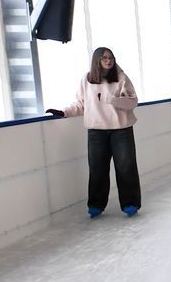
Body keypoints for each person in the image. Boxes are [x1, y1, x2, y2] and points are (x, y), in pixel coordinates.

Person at [45, 47, 141, 218]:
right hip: (96, 132)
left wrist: (113, 100)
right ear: (97, 60)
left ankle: (130, 203)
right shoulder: (87, 80)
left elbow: (133, 102)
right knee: (97, 169)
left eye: (111, 57)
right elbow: (81, 105)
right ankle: (96, 205)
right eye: (104, 58)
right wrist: (63, 112)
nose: (108, 61)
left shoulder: (121, 78)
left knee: (126, 167)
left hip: (121, 130)